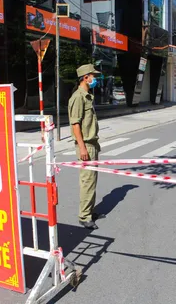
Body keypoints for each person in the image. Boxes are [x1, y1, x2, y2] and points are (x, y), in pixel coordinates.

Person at [68, 64, 106, 230]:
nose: (94, 78)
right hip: (86, 145)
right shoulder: (78, 97)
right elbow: (75, 124)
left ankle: (89, 211)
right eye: (93, 75)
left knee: (92, 180)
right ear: (85, 77)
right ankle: (84, 217)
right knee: (87, 182)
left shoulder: (88, 95)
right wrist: (82, 148)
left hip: (93, 144)